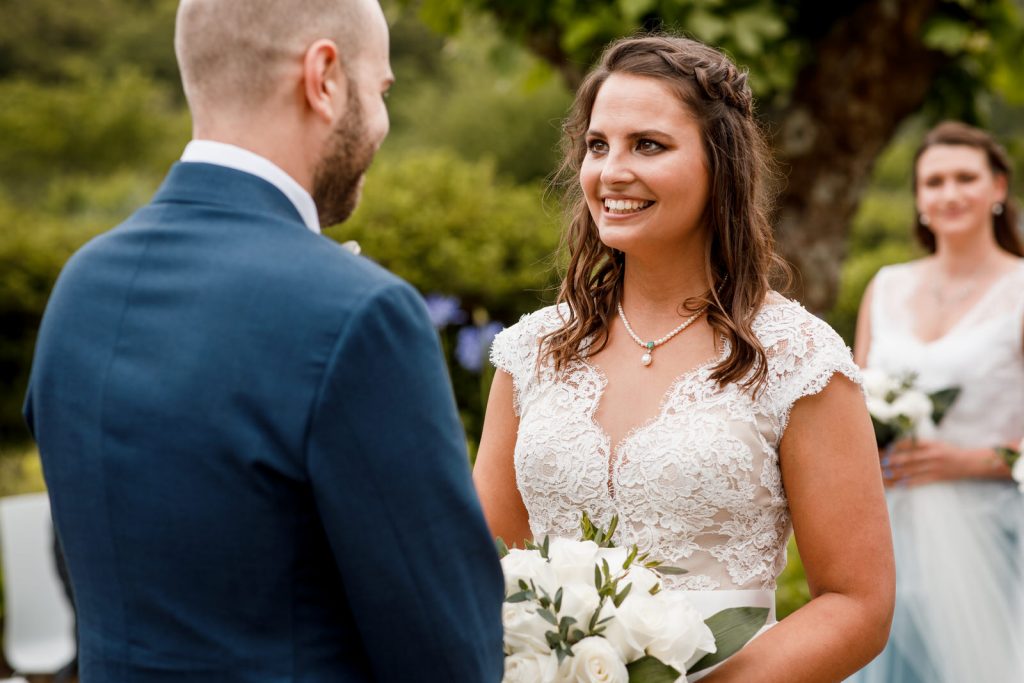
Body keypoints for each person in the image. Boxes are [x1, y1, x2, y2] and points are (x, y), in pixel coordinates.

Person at [22, 1, 504, 681]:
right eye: (381, 90)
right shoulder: (360, 314)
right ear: (324, 78)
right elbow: (451, 655)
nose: (382, 120)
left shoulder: (82, 285)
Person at [473, 34, 894, 681]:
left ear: (720, 163)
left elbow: (857, 603)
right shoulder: (533, 351)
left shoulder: (797, 358)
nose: (612, 171)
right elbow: (487, 566)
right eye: (598, 145)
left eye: (648, 144)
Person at [850, 121, 1024, 682]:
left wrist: (968, 461)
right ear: (919, 198)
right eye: (934, 182)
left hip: (993, 532)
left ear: (998, 188)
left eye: (965, 178)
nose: (950, 194)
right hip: (889, 534)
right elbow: (852, 411)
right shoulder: (886, 286)